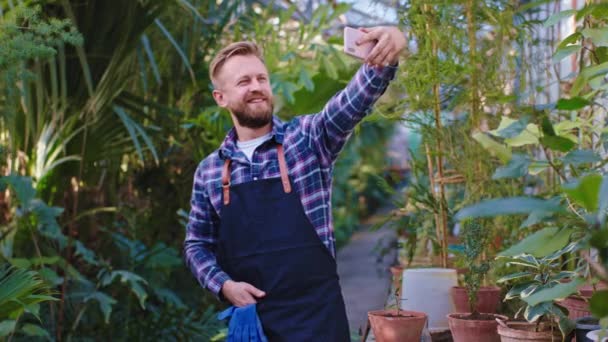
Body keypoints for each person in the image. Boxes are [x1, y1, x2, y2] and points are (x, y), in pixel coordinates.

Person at [184, 26, 406, 341]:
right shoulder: (210, 171)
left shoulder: (307, 139)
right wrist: (224, 285)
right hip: (255, 326)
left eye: (261, 78)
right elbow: (197, 244)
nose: (256, 87)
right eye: (244, 81)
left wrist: (387, 51)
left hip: (319, 319)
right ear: (220, 97)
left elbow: (354, 101)